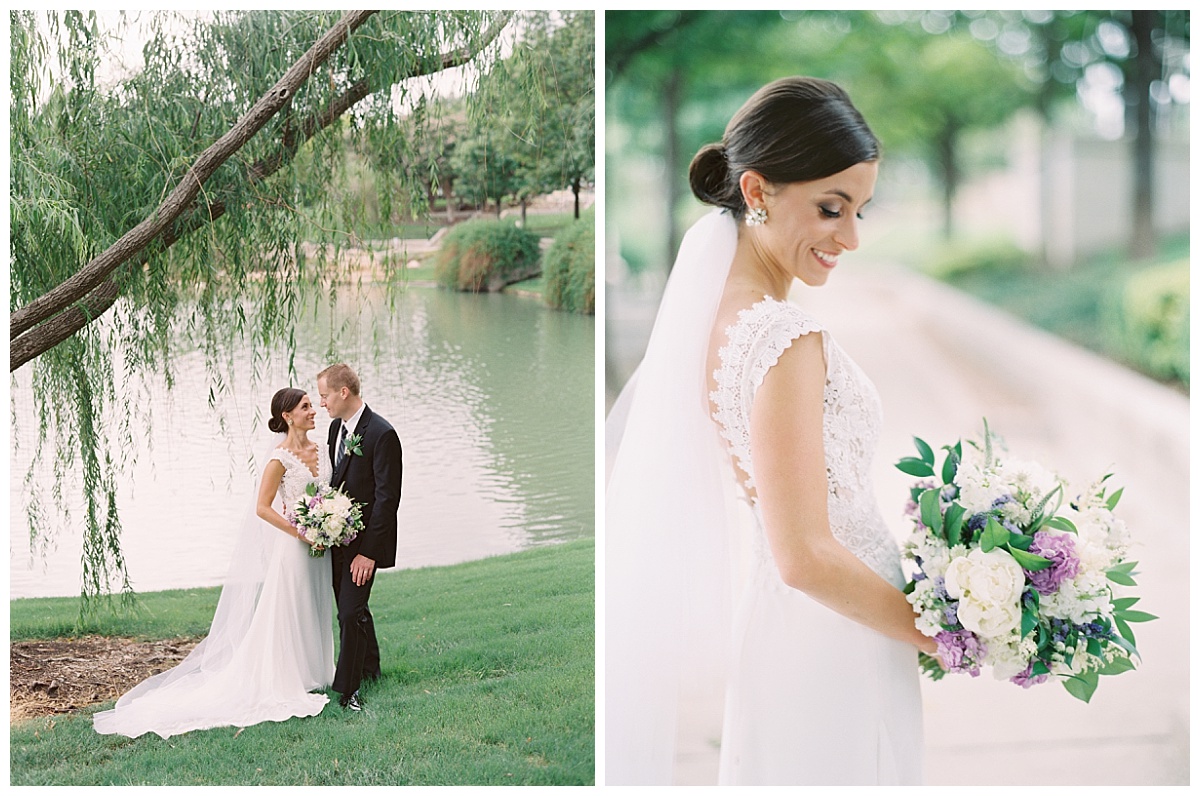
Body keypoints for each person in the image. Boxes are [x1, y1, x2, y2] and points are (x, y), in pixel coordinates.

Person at [606, 77, 938, 785]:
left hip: (796, 633)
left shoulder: (716, 321)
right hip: (837, 637)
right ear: (756, 192)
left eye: (859, 211)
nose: (849, 236)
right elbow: (805, 554)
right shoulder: (784, 337)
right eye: (830, 208)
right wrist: (949, 633)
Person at [94, 388, 334, 738]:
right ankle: (292, 677)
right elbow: (262, 508)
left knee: (317, 605)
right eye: (306, 407)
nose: (314, 411)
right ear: (287, 416)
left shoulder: (322, 449)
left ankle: (319, 672)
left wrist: (329, 522)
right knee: (293, 609)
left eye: (313, 405)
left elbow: (326, 494)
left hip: (321, 546)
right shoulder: (279, 459)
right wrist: (301, 532)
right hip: (296, 549)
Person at [316, 363, 403, 711]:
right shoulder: (336, 428)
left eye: (324, 396)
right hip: (336, 540)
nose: (322, 404)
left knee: (349, 614)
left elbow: (387, 500)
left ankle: (348, 688)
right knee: (355, 609)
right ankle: (371, 670)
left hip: (363, 545)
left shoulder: (382, 434)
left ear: (343, 392)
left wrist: (368, 553)